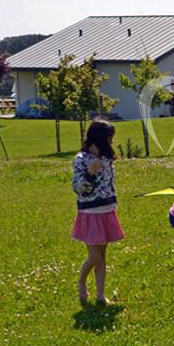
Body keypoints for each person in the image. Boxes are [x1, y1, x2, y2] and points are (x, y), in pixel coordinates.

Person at [71, 119, 124, 306]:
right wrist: (90, 174)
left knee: (102, 257)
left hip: (107, 210)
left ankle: (101, 295)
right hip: (90, 212)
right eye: (109, 137)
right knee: (95, 256)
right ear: (99, 138)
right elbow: (78, 188)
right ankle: (81, 281)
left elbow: (110, 184)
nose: (111, 141)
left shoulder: (106, 159)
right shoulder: (80, 160)